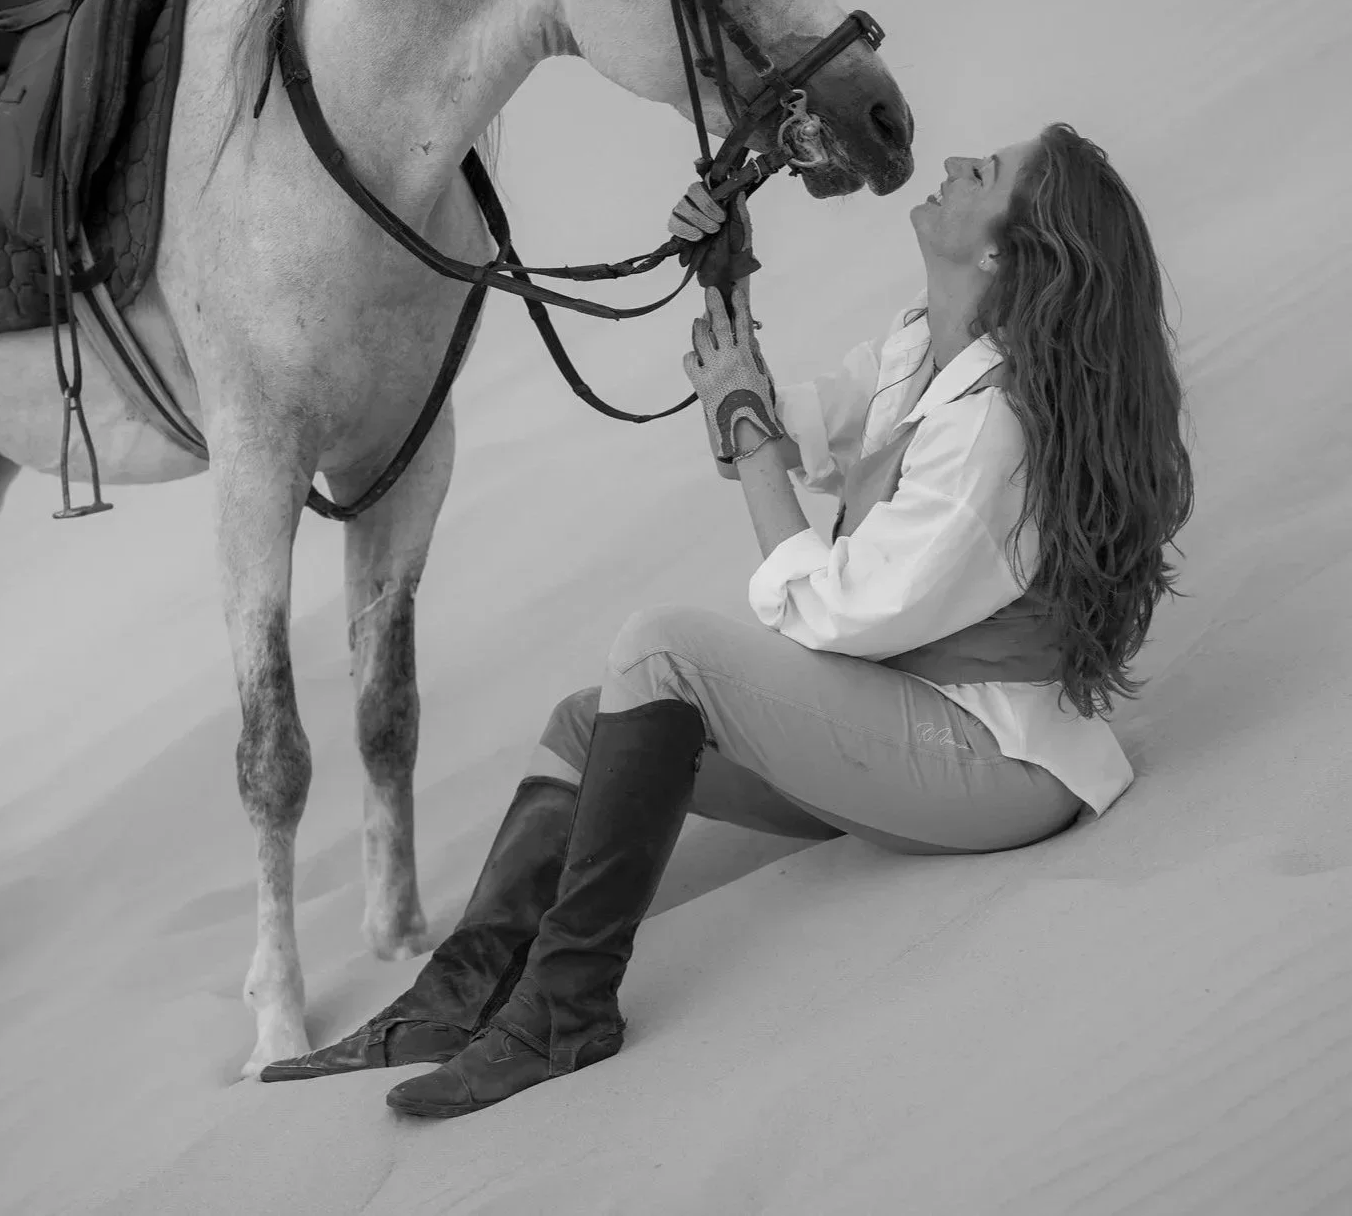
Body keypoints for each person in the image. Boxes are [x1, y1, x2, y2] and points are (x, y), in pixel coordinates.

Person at [261, 122, 1193, 1119]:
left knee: (663, 649)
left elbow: (837, 610)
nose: (960, 161)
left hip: (989, 765)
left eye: (989, 173)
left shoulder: (994, 428)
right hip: (895, 731)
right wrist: (723, 278)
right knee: (593, 719)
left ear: (1005, 249)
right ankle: (453, 995)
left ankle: (563, 1007)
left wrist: (747, 428)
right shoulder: (923, 346)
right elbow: (781, 415)